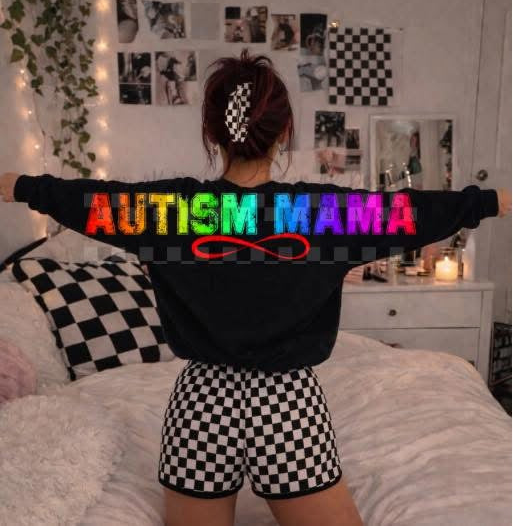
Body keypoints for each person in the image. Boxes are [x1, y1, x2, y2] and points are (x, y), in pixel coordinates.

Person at [0, 49, 511, 526]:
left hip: (202, 404)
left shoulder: (171, 212)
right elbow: (413, 212)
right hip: (287, 403)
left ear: (211, 132)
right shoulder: (321, 215)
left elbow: (89, 201)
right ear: (284, 131)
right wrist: (489, 201)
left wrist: (24, 186)